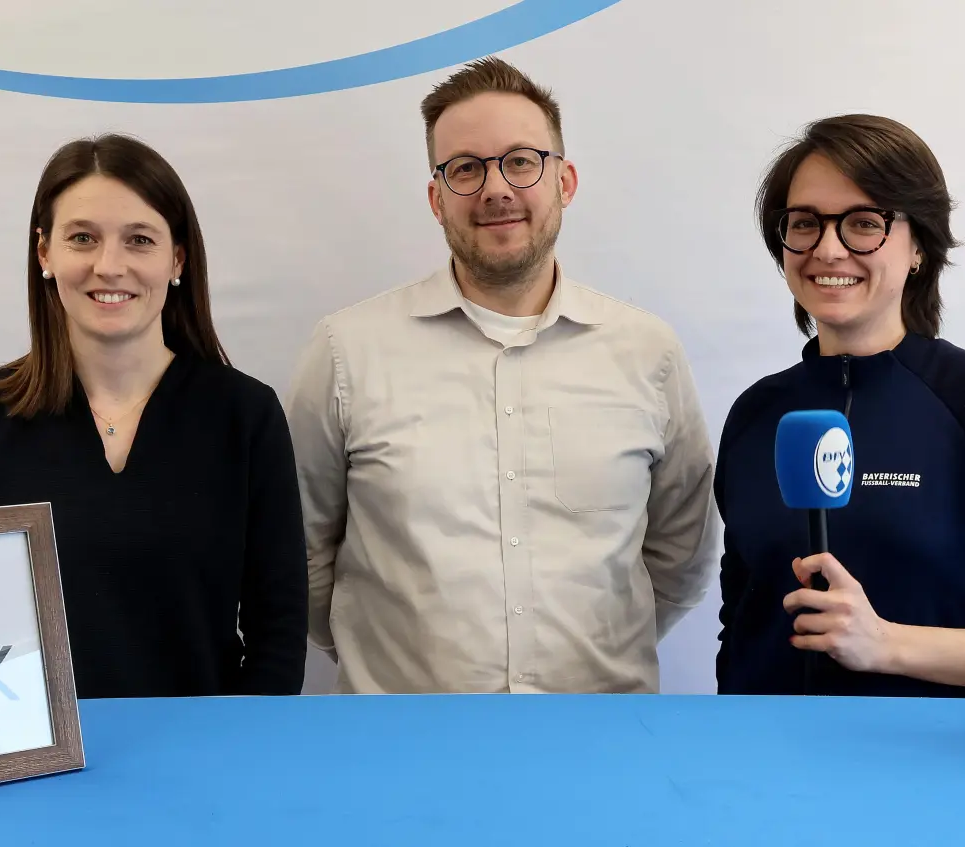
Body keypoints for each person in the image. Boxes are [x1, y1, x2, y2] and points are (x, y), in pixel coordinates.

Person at [285, 57, 718, 694]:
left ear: (564, 181)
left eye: (521, 160)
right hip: (404, 744)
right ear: (436, 198)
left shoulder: (646, 351)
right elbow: (301, 552)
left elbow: (681, 555)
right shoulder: (346, 350)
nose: (495, 189)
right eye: (466, 168)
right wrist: (377, 654)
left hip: (599, 738)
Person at [714, 114, 965, 698]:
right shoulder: (756, 414)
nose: (829, 249)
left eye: (864, 223)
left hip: (934, 770)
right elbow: (739, 617)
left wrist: (886, 644)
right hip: (763, 766)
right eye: (805, 224)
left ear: (918, 244)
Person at [0, 134, 307, 699]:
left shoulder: (245, 416)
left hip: (205, 762)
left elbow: (278, 629)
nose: (109, 266)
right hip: (30, 766)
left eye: (139, 240)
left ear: (176, 258)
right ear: (45, 253)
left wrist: (241, 752)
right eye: (82, 238)